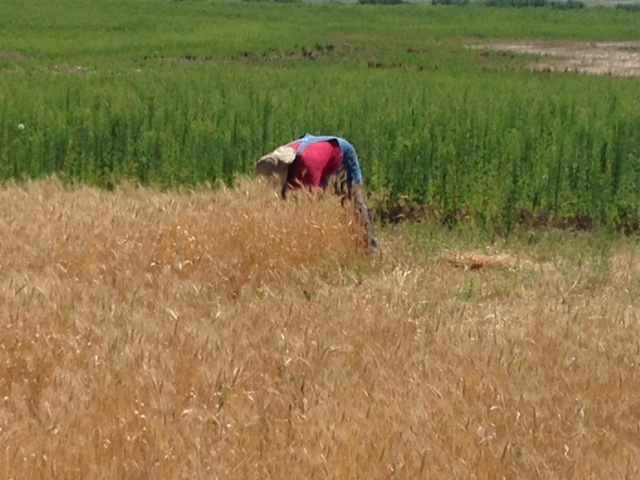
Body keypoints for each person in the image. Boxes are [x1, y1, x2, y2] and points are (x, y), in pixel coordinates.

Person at [256, 133, 378, 251]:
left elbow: (314, 205)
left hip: (342, 152)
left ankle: (368, 245)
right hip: (317, 152)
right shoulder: (276, 160)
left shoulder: (308, 166)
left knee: (353, 200)